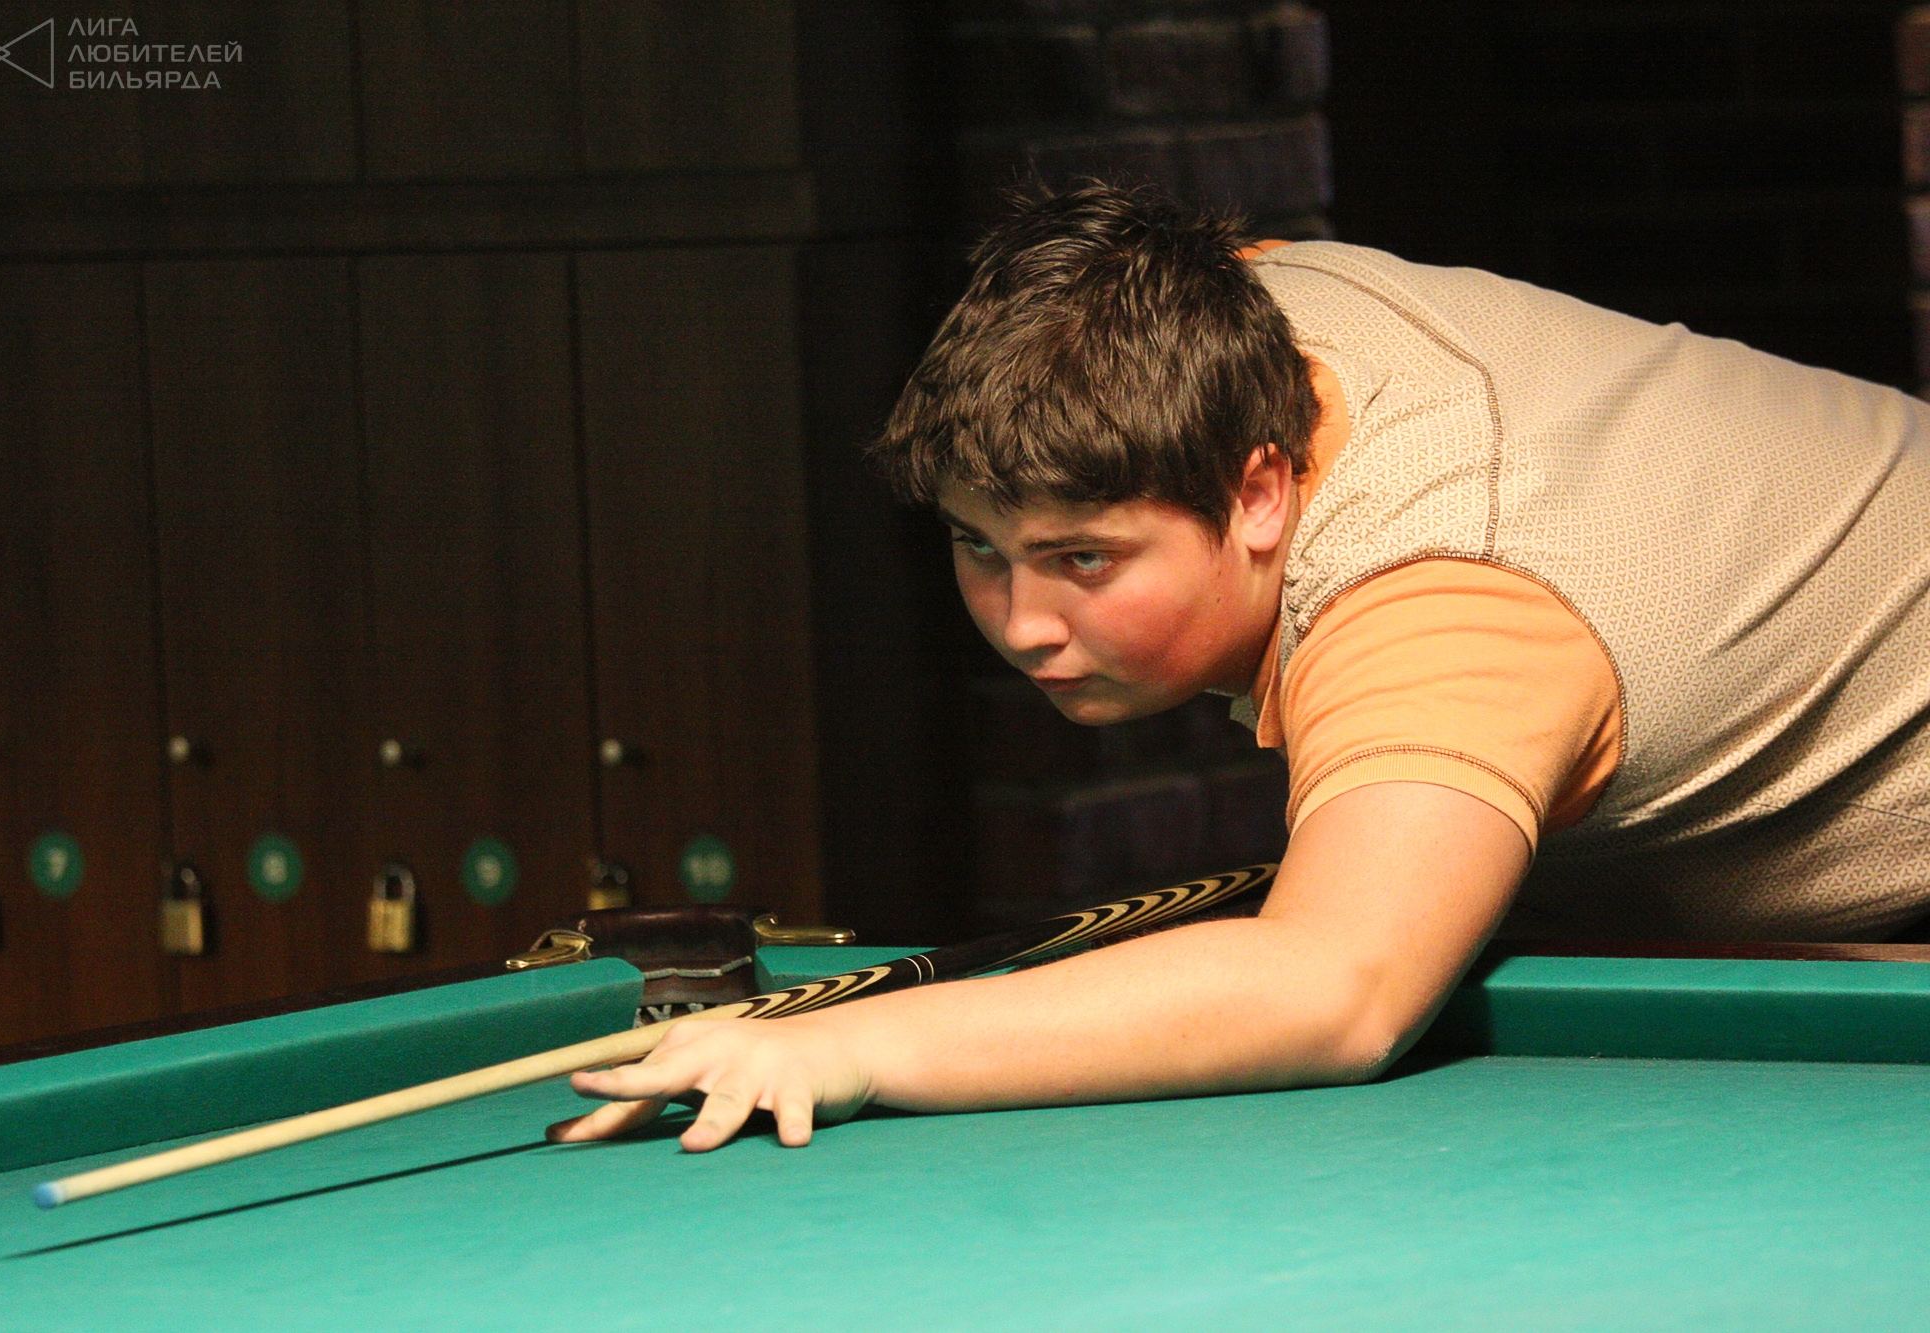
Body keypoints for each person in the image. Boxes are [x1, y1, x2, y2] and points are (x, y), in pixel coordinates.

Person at [548, 183, 1930, 1153]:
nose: (1022, 623)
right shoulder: (1207, 314)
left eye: (1082, 559)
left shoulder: (1445, 596)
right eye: (979, 546)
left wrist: (845, 1046)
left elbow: (1338, 989)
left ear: (1262, 491)